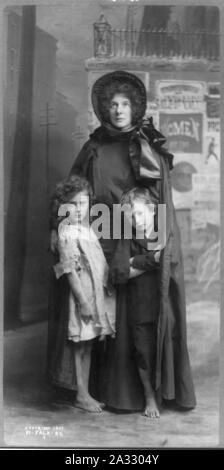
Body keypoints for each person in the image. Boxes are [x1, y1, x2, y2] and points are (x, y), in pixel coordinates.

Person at [49, 70, 196, 411]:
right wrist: (58, 228)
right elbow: (70, 192)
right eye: (112, 104)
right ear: (105, 108)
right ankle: (94, 390)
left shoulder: (146, 144)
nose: (118, 110)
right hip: (97, 237)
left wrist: (155, 248)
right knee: (94, 314)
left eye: (125, 104)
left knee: (138, 318)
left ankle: (141, 395)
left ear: (135, 108)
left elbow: (161, 201)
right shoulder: (94, 146)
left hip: (137, 237)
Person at [48, 174, 115, 412]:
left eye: (83, 203)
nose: (78, 209)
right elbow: (68, 271)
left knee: (89, 346)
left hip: (95, 295)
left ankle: (85, 393)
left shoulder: (86, 229)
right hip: (81, 298)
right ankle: (81, 394)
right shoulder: (67, 232)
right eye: (73, 204)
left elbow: (97, 263)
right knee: (80, 346)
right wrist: (84, 302)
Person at [109, 187, 161, 418]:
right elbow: (119, 273)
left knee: (160, 348)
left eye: (139, 214)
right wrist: (151, 260)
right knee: (142, 351)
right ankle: (149, 397)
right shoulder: (128, 237)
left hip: (160, 303)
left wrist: (135, 262)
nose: (135, 220)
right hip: (138, 305)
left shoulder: (162, 233)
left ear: (151, 210)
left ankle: (161, 394)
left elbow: (168, 260)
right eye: (130, 216)